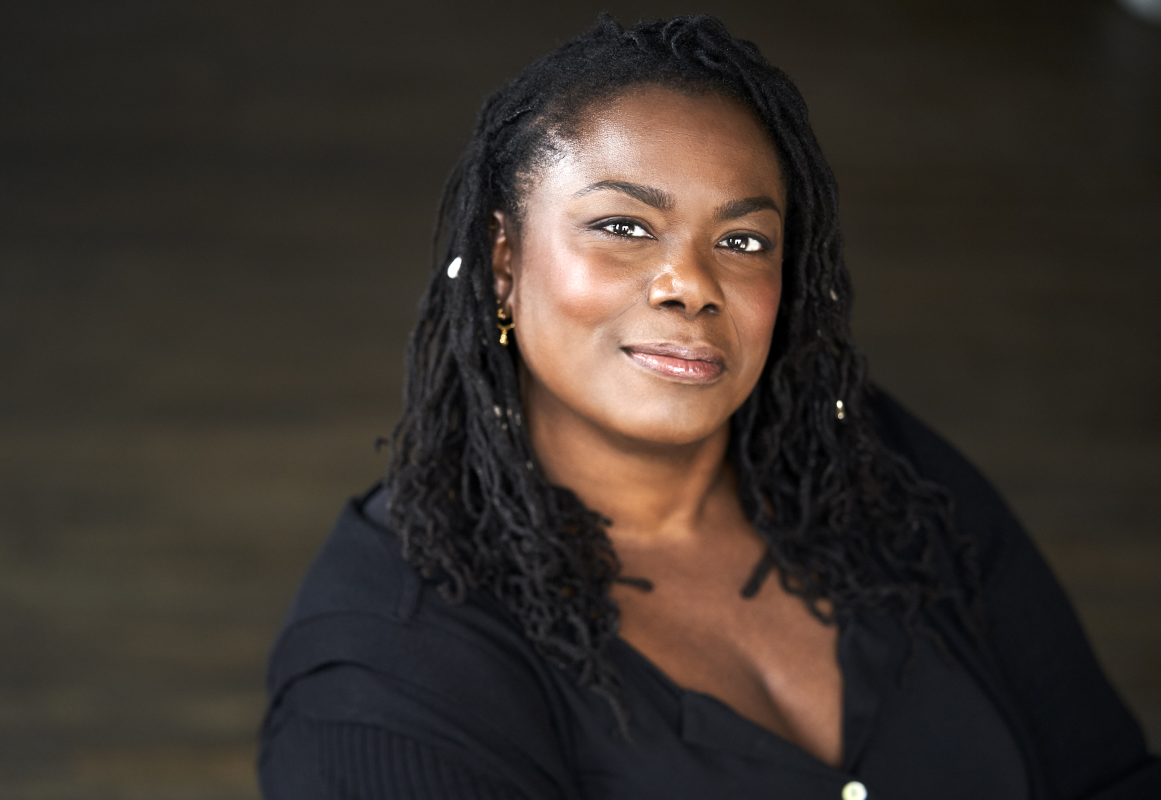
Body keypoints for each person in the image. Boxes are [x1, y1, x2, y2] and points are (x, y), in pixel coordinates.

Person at [258, 14, 1159, 800]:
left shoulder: (871, 466)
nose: (690, 283)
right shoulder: (384, 674)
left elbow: (1107, 777)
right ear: (504, 261)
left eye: (742, 240)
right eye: (623, 226)